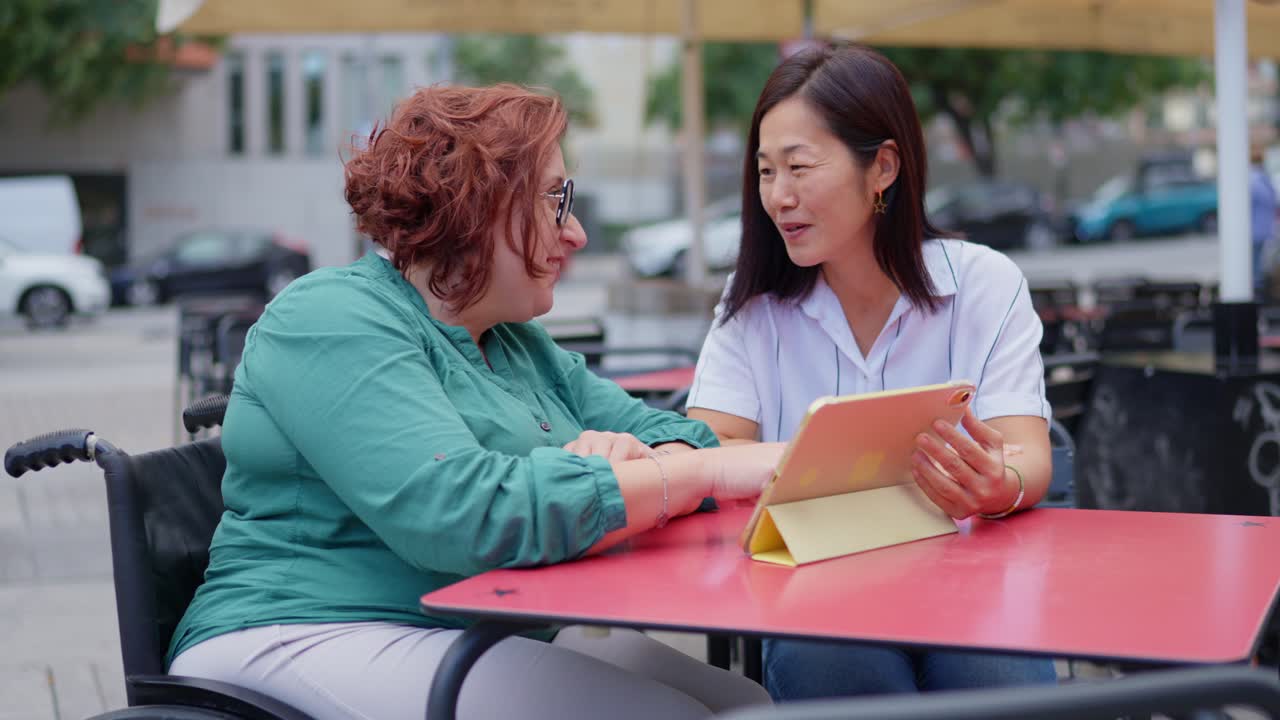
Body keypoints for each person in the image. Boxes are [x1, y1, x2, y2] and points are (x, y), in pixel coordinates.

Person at [166, 83, 778, 720]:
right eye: (555, 200)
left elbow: (672, 436)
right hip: (296, 630)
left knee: (749, 703)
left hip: (466, 624)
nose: (577, 233)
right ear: (475, 203)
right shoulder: (329, 317)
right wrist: (672, 473)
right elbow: (462, 514)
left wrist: (648, 462)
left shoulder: (513, 341)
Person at [685, 45, 1059, 700]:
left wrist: (996, 484)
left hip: (968, 576)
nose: (779, 196)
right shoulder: (754, 309)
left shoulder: (984, 284)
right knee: (830, 660)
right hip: (814, 588)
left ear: (882, 166)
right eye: (766, 171)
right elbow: (708, 446)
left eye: (799, 167)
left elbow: (1028, 454)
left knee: (996, 672)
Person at [1251, 142, 1276, 301]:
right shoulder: (1254, 179)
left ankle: (1258, 288)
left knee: (1258, 262)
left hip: (1260, 229)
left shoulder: (1258, 178)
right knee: (1256, 264)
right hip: (1255, 230)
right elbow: (1268, 199)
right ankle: (1257, 292)